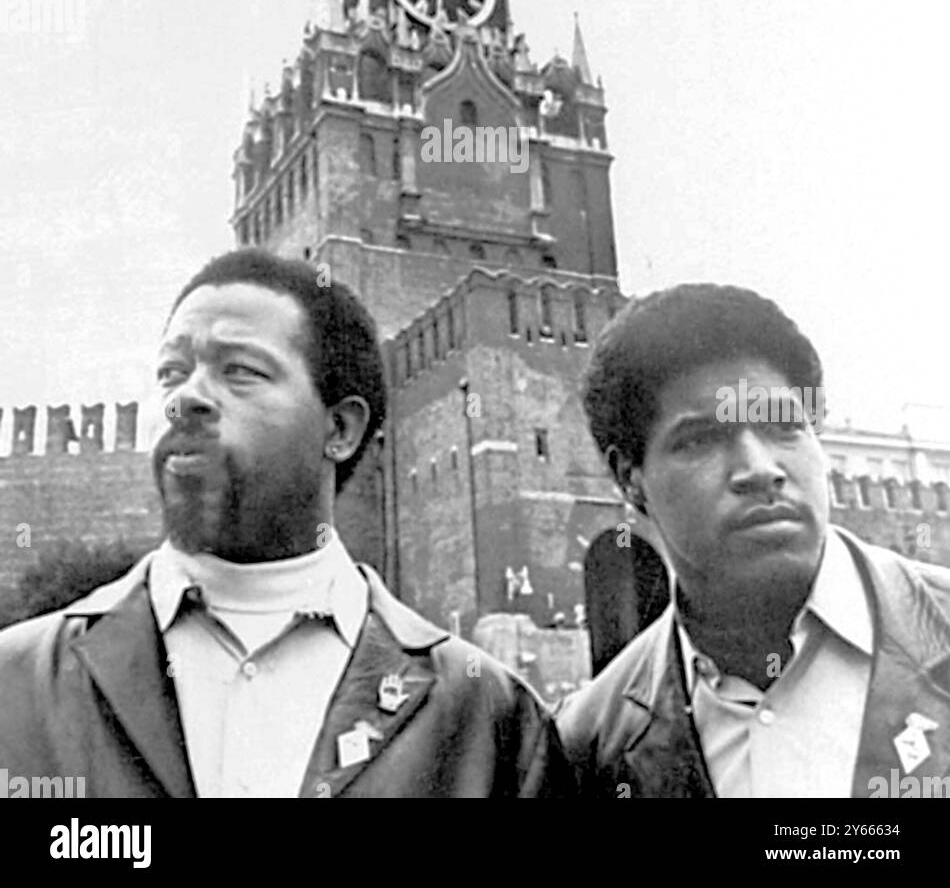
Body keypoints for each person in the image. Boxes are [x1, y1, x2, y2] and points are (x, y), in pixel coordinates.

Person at [0, 249, 570, 798]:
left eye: (240, 371)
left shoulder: (485, 721)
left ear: (340, 429)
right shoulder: (17, 685)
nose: (184, 399)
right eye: (172, 372)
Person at [557, 283, 950, 798]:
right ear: (629, 478)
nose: (759, 470)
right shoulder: (589, 745)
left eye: (783, 425)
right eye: (700, 439)